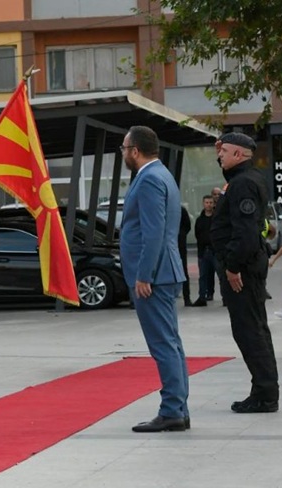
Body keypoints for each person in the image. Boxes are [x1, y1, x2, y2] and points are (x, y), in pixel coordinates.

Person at [119, 126, 189, 433]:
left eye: (124, 149)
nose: (123, 154)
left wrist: (144, 275)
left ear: (135, 151)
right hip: (165, 272)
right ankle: (179, 409)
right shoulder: (162, 174)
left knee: (163, 345)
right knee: (171, 343)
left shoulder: (148, 179)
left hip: (154, 277)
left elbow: (153, 231)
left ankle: (172, 409)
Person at [211, 132, 278, 414]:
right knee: (255, 329)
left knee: (249, 331)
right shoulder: (245, 179)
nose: (219, 156)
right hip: (248, 266)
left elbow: (246, 233)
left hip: (244, 270)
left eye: (224, 152)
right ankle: (264, 390)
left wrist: (232, 266)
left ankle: (265, 395)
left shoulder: (242, 184)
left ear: (238, 154)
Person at [193, 195, 217, 306]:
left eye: (210, 202)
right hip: (203, 251)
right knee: (203, 275)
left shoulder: (217, 219)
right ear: (203, 204)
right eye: (207, 202)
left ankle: (225, 298)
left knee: (220, 275)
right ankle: (202, 297)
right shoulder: (200, 220)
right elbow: (197, 234)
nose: (209, 205)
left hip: (215, 251)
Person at [179, 205, 192, 306]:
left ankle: (186, 297)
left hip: (179, 244)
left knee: (183, 271)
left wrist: (181, 234)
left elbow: (187, 225)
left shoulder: (181, 210)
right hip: (166, 244)